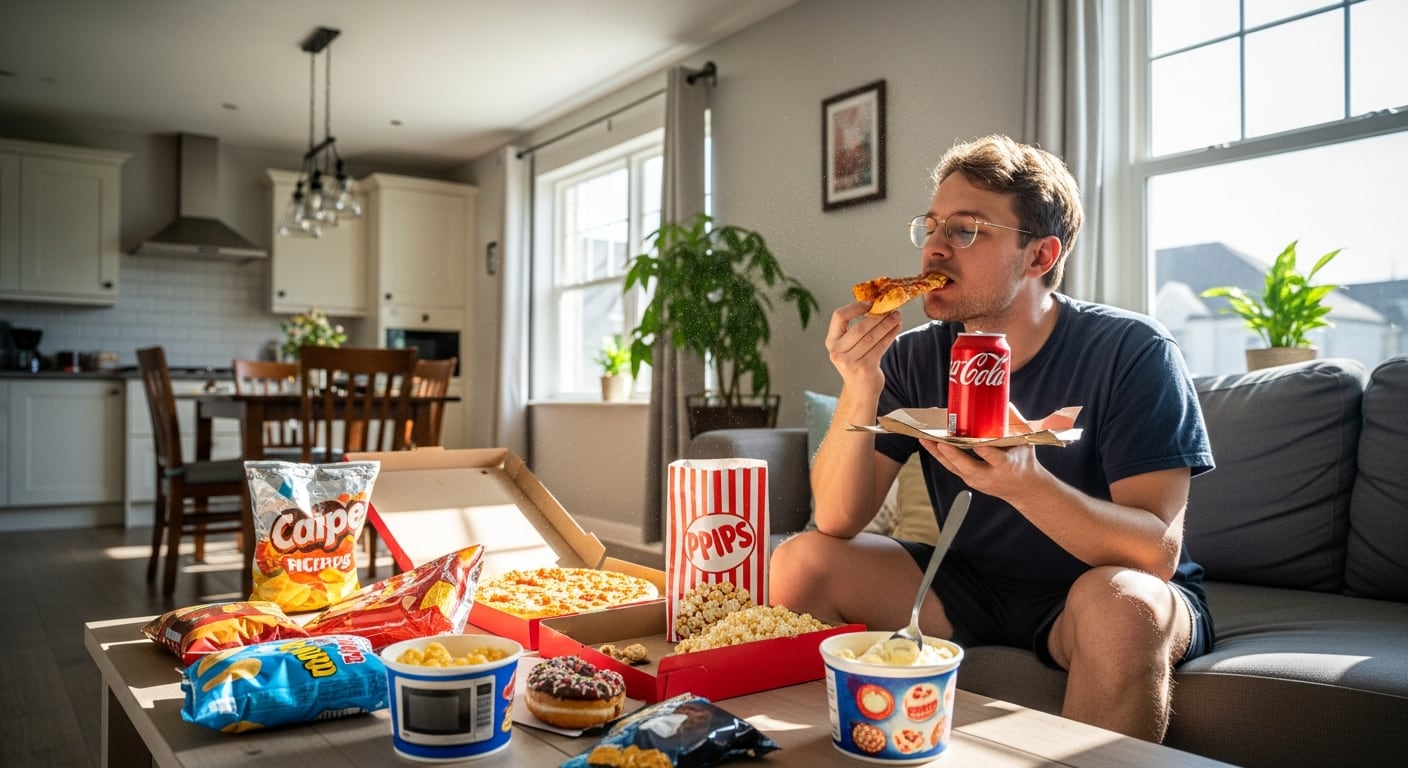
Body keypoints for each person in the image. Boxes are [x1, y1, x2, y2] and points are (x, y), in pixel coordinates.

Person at [769, 134, 1215, 743]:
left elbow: (1154, 554)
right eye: (930, 227)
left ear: (1040, 255)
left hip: (1099, 584)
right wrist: (859, 382)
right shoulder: (914, 357)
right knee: (802, 562)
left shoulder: (1133, 350)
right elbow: (837, 519)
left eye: (966, 230)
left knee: (1123, 606)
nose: (933, 247)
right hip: (969, 582)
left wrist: (1026, 484)